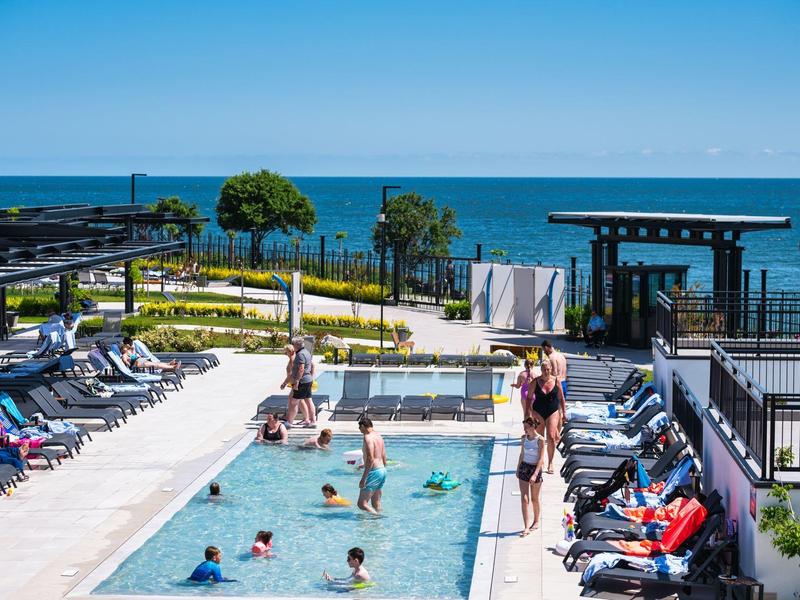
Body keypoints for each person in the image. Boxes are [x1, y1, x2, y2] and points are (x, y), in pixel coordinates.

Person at [526, 359, 566, 474]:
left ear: (551, 369)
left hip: (552, 411)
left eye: (548, 369)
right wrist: (528, 413)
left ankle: (550, 463)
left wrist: (564, 412)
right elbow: (529, 398)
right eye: (544, 369)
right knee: (540, 438)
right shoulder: (535, 382)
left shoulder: (556, 381)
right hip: (538, 411)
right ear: (541, 370)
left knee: (551, 437)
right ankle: (540, 461)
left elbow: (561, 398)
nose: (546, 372)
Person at [516, 417, 545, 536]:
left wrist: (535, 474)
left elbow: (541, 459)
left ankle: (536, 521)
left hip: (535, 469)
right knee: (524, 499)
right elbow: (522, 454)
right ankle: (526, 526)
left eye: (526, 427)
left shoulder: (540, 440)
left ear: (533, 427)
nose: (525, 430)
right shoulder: (524, 438)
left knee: (534, 498)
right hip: (524, 467)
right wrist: (518, 468)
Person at [357, 417, 387, 514]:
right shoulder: (379, 436)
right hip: (382, 470)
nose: (359, 430)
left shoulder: (367, 437)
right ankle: (378, 521)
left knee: (362, 504)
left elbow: (370, 458)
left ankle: (377, 516)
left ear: (363, 426)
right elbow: (384, 455)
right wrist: (382, 470)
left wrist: (363, 478)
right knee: (376, 504)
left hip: (374, 471)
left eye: (359, 428)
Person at [287, 337, 316, 428]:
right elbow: (312, 365)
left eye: (293, 344)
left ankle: (289, 422)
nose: (292, 346)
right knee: (308, 400)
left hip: (302, 381)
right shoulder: (306, 352)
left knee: (294, 402)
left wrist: (297, 381)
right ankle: (312, 421)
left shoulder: (300, 354)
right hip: (308, 380)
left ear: (296, 345)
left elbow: (301, 369)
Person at [278, 344, 299, 424]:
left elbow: (290, 374)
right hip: (295, 383)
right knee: (298, 401)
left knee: (292, 401)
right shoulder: (293, 358)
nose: (285, 354)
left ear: (291, 351)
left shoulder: (292, 360)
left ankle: (290, 420)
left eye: (286, 352)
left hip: (295, 383)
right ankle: (307, 418)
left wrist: (284, 383)